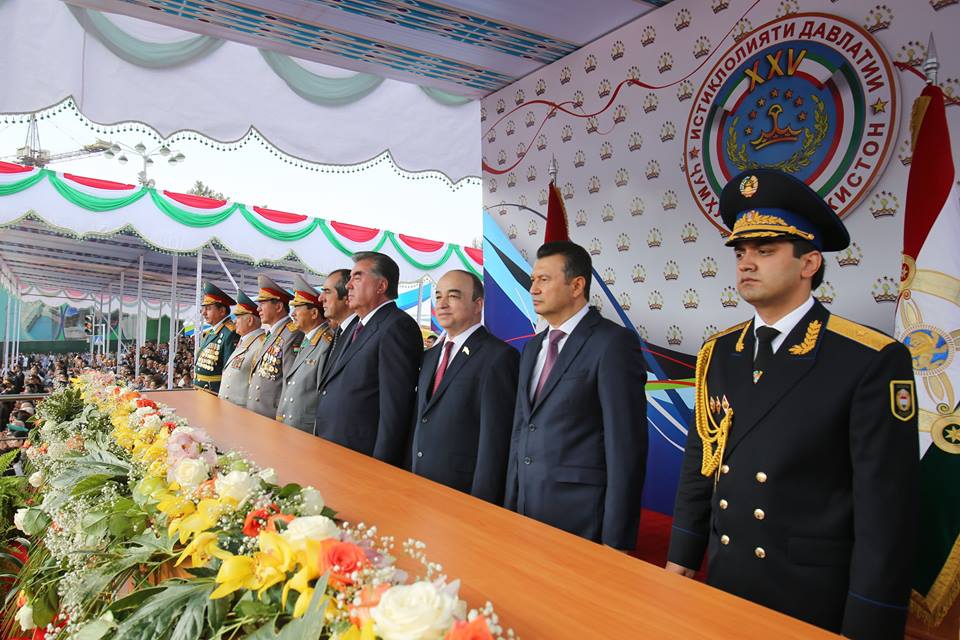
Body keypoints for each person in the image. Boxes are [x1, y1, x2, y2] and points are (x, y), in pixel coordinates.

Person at [665, 169, 918, 640]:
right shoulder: (719, 352)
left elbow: (886, 511)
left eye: (765, 250)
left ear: (809, 263)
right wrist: (681, 556)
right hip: (726, 579)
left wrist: (870, 622)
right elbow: (702, 464)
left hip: (810, 596)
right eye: (740, 252)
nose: (746, 263)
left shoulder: (868, 358)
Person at [505, 241, 647, 550]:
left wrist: (617, 540)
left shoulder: (612, 343)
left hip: (581, 518)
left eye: (544, 279)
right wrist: (510, 504)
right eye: (533, 280)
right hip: (526, 511)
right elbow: (521, 430)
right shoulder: (533, 347)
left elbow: (626, 447)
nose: (533, 289)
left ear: (577, 285)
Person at [411, 270, 519, 503]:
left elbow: (495, 441)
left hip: (462, 494)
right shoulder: (430, 356)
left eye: (453, 296)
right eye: (438, 296)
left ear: (477, 304)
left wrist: (481, 503)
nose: (442, 304)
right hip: (419, 485)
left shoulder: (498, 357)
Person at [314, 252, 422, 466]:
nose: (348, 286)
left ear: (381, 286)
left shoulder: (397, 326)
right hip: (334, 446)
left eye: (357, 277)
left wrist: (380, 466)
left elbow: (395, 409)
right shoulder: (357, 326)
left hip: (361, 457)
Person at [276, 275, 334, 432]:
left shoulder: (326, 343)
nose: (293, 314)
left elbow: (322, 395)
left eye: (297, 308)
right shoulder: (308, 339)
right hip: (293, 426)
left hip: (305, 430)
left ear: (314, 313)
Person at [246, 275, 304, 418]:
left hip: (270, 416)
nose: (258, 309)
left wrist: (281, 416)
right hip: (257, 412)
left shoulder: (292, 334)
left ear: (278, 306)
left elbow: (289, 381)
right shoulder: (272, 333)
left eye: (263, 304)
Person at [219, 291, 266, 406]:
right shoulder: (244, 341)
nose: (235, 321)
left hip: (241, 408)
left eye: (238, 317)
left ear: (250, 321)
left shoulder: (261, 344)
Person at [193, 282, 240, 393]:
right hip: (202, 391)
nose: (203, 313)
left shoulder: (230, 333)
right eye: (203, 309)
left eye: (208, 308)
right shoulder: (211, 332)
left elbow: (229, 372)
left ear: (222, 311)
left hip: (214, 392)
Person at [318, 268, 353, 381]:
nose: (320, 298)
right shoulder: (340, 331)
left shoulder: (360, 332)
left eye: (327, 291)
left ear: (347, 296)